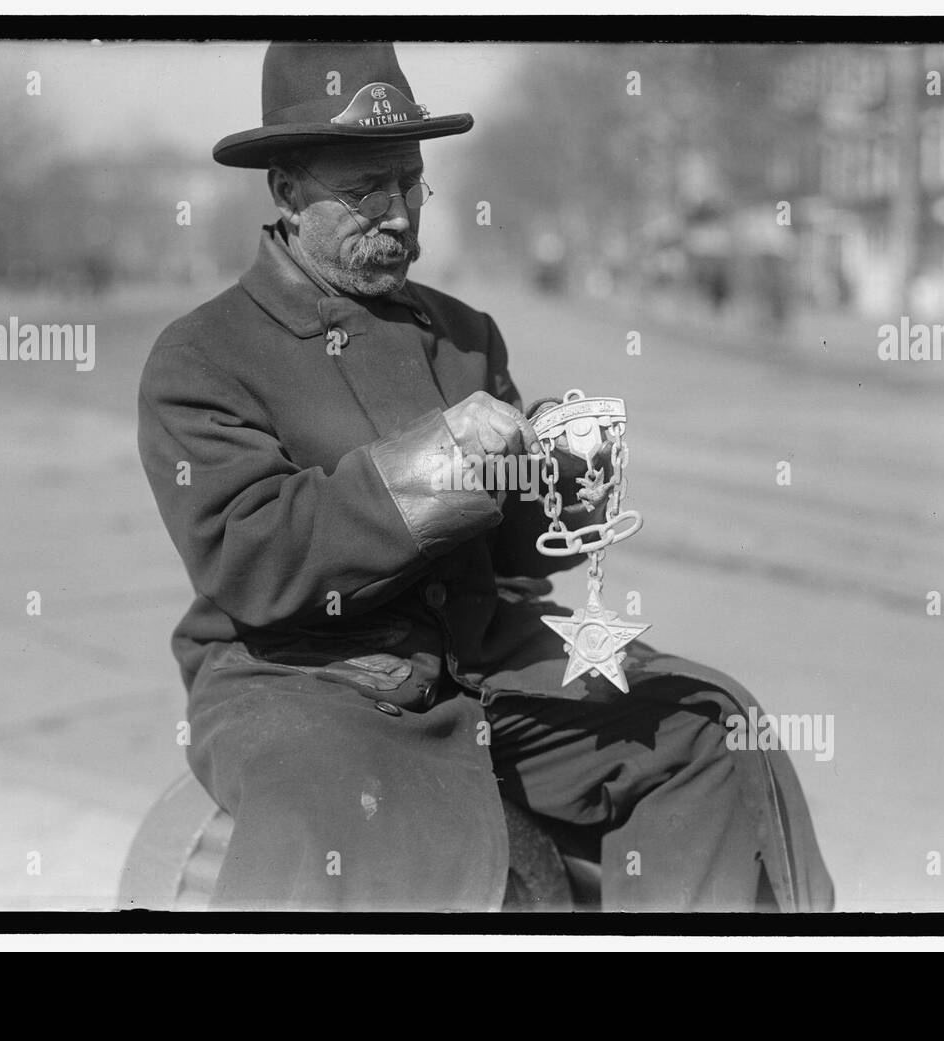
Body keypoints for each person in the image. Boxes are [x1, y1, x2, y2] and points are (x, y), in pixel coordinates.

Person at [137, 41, 833, 911]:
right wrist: (433, 468)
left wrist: (562, 480)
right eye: (364, 191)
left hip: (483, 659)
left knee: (703, 728)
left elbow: (514, 558)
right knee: (338, 830)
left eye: (410, 182)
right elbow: (255, 557)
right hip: (303, 677)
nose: (397, 214)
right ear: (285, 191)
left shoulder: (466, 332)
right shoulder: (204, 355)